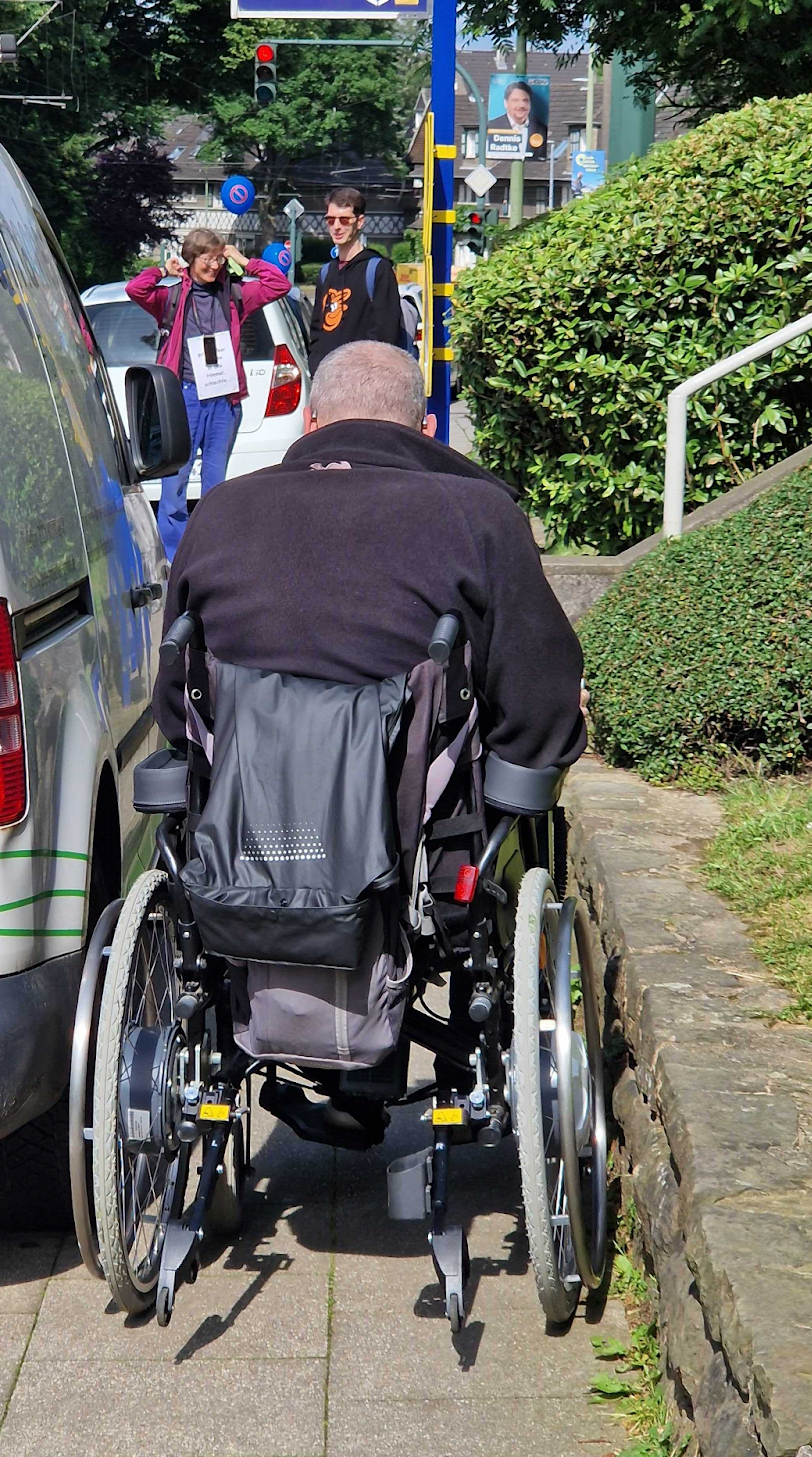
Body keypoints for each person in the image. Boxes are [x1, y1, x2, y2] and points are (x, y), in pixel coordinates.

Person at [155, 339, 585, 1138]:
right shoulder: (481, 514)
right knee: (506, 789)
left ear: (309, 421)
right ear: (427, 427)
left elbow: (179, 707)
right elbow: (538, 698)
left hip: (249, 833)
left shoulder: (221, 514)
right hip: (413, 845)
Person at [126, 229, 289, 558]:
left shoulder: (234, 293)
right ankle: (176, 557)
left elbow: (278, 284)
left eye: (218, 258)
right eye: (207, 258)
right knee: (176, 482)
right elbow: (136, 289)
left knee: (216, 481)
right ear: (191, 259)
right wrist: (161, 271)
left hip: (223, 400)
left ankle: (212, 553)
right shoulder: (172, 297)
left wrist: (245, 261)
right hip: (184, 398)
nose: (214, 265)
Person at [307, 188, 403, 373]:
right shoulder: (326, 272)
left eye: (344, 220)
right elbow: (317, 332)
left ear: (359, 222)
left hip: (362, 384)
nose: (336, 227)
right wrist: (316, 369)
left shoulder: (377, 269)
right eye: (330, 220)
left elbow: (385, 333)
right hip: (327, 382)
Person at [489, 79, 547, 159]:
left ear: (530, 104)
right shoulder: (492, 127)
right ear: (506, 103)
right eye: (515, 100)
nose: (521, 105)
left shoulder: (541, 130)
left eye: (525, 101)